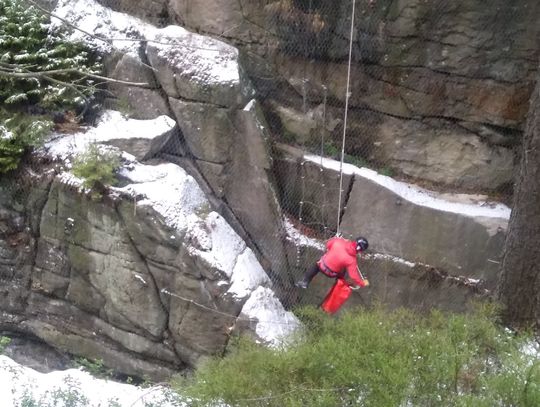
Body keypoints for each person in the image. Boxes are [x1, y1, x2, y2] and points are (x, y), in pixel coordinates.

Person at [296, 236, 369, 289]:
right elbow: (354, 276)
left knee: (317, 264)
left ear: (354, 241)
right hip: (332, 273)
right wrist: (363, 283)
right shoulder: (352, 260)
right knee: (343, 271)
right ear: (361, 250)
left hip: (322, 266)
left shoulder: (339, 241)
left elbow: (328, 245)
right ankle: (337, 286)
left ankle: (305, 281)